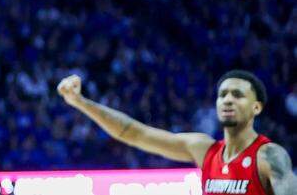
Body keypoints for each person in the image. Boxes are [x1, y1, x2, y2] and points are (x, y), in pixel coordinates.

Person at [57, 71, 296, 195]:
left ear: (257, 108)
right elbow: (134, 133)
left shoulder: (268, 155)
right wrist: (80, 102)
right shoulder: (204, 149)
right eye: (222, 94)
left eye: (237, 94)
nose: (228, 100)